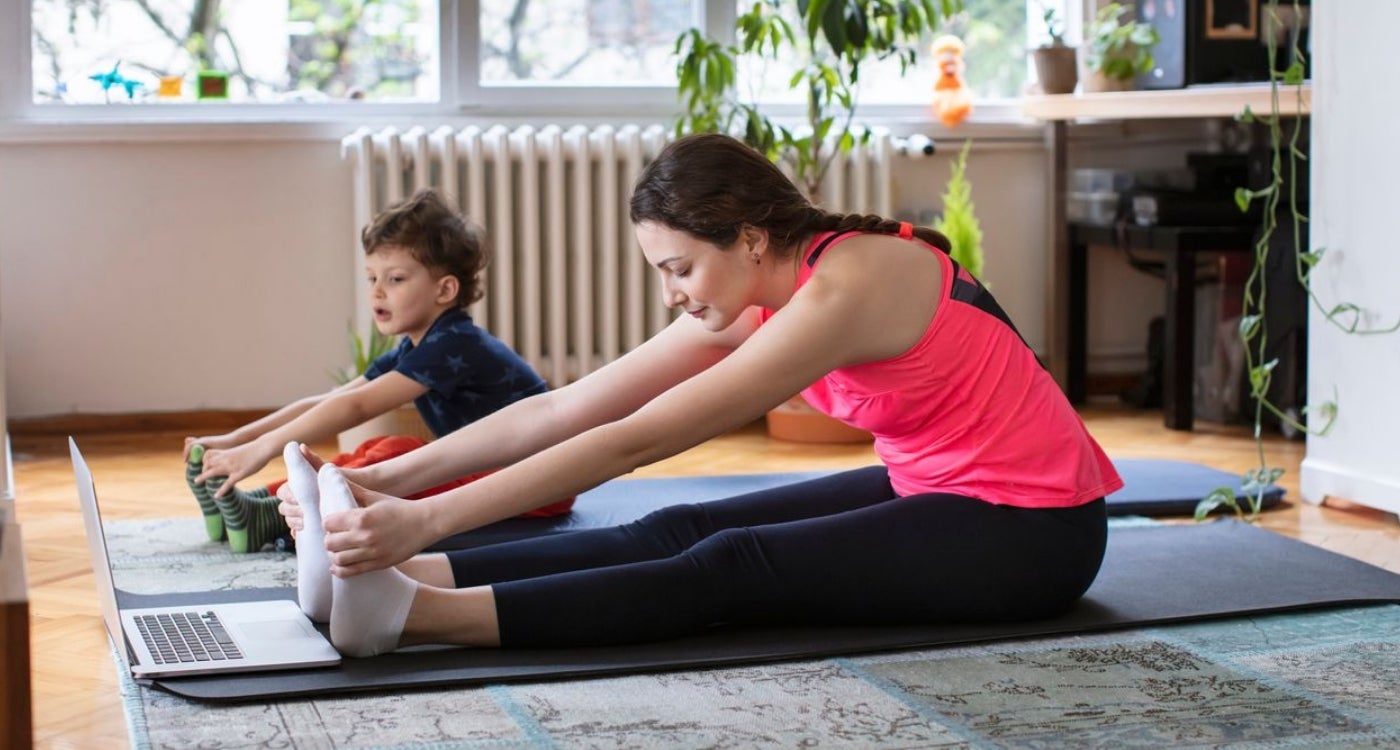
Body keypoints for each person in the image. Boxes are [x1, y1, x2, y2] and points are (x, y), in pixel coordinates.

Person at [281, 133, 1123, 658]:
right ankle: (409, 574)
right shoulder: (762, 285)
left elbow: (636, 440)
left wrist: (427, 511)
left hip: (1033, 528)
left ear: (750, 238)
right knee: (680, 526)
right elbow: (568, 409)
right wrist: (382, 490)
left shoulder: (846, 287)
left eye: (679, 269)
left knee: (731, 564)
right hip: (941, 490)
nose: (672, 294)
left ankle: (416, 615)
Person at [184, 188, 572, 553]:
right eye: (372, 278)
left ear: (445, 290)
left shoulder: (455, 344)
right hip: (483, 471)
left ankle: (272, 518)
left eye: (395, 279)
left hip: (532, 482)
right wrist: (238, 440)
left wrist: (262, 449)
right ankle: (260, 503)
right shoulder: (419, 344)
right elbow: (338, 399)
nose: (377, 292)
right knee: (374, 450)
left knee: (397, 456)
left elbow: (357, 409)